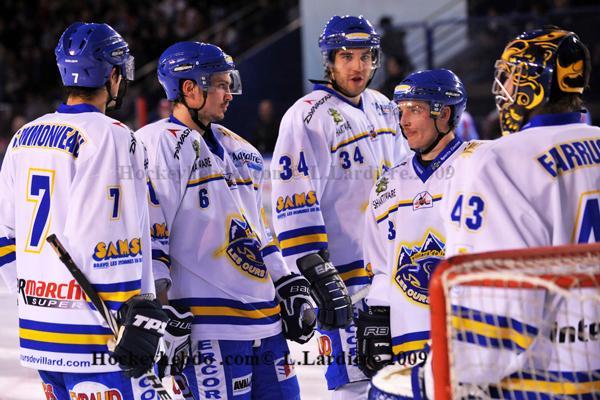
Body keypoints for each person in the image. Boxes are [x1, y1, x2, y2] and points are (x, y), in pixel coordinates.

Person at [136, 41, 315, 400]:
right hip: (207, 326)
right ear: (189, 88)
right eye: (219, 83)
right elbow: (152, 240)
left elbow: (259, 232)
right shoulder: (153, 146)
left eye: (229, 82)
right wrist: (161, 308)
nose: (229, 93)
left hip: (266, 321)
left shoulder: (243, 150)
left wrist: (286, 281)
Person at [0, 22, 168, 399]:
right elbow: (115, 241)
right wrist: (135, 319)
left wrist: (31, 293)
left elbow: (2, 234)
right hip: (102, 336)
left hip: (40, 330)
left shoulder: (23, 136)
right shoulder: (113, 135)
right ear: (112, 74)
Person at [270, 15, 411, 399]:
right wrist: (314, 269)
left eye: (366, 57)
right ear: (329, 60)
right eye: (347, 56)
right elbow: (293, 197)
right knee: (353, 382)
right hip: (345, 281)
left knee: (397, 380)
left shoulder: (385, 106)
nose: (358, 66)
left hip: (392, 275)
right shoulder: (307, 115)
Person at [359, 69, 471, 386]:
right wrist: (377, 315)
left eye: (416, 109)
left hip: (470, 339)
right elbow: (381, 265)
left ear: (444, 113)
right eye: (401, 110)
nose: (404, 121)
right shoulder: (387, 184)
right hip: (408, 343)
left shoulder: (479, 164)